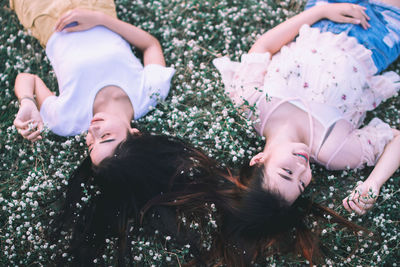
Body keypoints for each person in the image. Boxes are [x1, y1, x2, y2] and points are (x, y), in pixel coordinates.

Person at [213, 0, 400, 216]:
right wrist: (373, 183)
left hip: (322, 15)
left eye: (287, 172)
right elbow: (395, 139)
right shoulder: (333, 150)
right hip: (377, 34)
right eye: (302, 184)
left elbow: (263, 47)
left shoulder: (252, 105)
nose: (302, 169)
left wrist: (321, 12)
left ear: (258, 160)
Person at [10, 0, 175, 165]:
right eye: (105, 137)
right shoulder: (152, 93)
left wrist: (27, 102)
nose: (93, 131)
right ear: (136, 134)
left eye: (90, 145)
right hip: (96, 6)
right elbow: (150, 45)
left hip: (47, 18)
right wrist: (100, 19)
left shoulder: (66, 121)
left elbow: (28, 78)